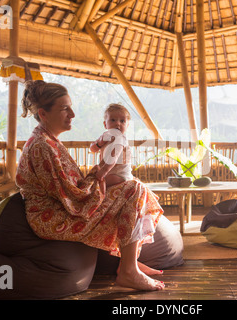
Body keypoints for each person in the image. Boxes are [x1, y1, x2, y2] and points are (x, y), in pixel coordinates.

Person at [16, 80, 165, 291]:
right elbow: (72, 196)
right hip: (51, 216)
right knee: (134, 189)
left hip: (63, 206)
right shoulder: (42, 146)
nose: (73, 114)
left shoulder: (49, 140)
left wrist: (97, 180)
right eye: (64, 109)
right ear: (43, 114)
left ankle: (128, 262)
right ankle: (129, 270)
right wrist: (98, 178)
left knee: (135, 187)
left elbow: (71, 187)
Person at [89, 103, 133, 187]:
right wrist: (99, 144)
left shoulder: (121, 138)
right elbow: (92, 149)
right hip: (109, 172)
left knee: (100, 184)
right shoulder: (104, 136)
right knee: (93, 180)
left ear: (127, 125)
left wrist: (104, 171)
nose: (118, 123)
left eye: (122, 121)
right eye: (113, 120)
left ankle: (97, 198)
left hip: (120, 174)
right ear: (105, 124)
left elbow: (114, 155)